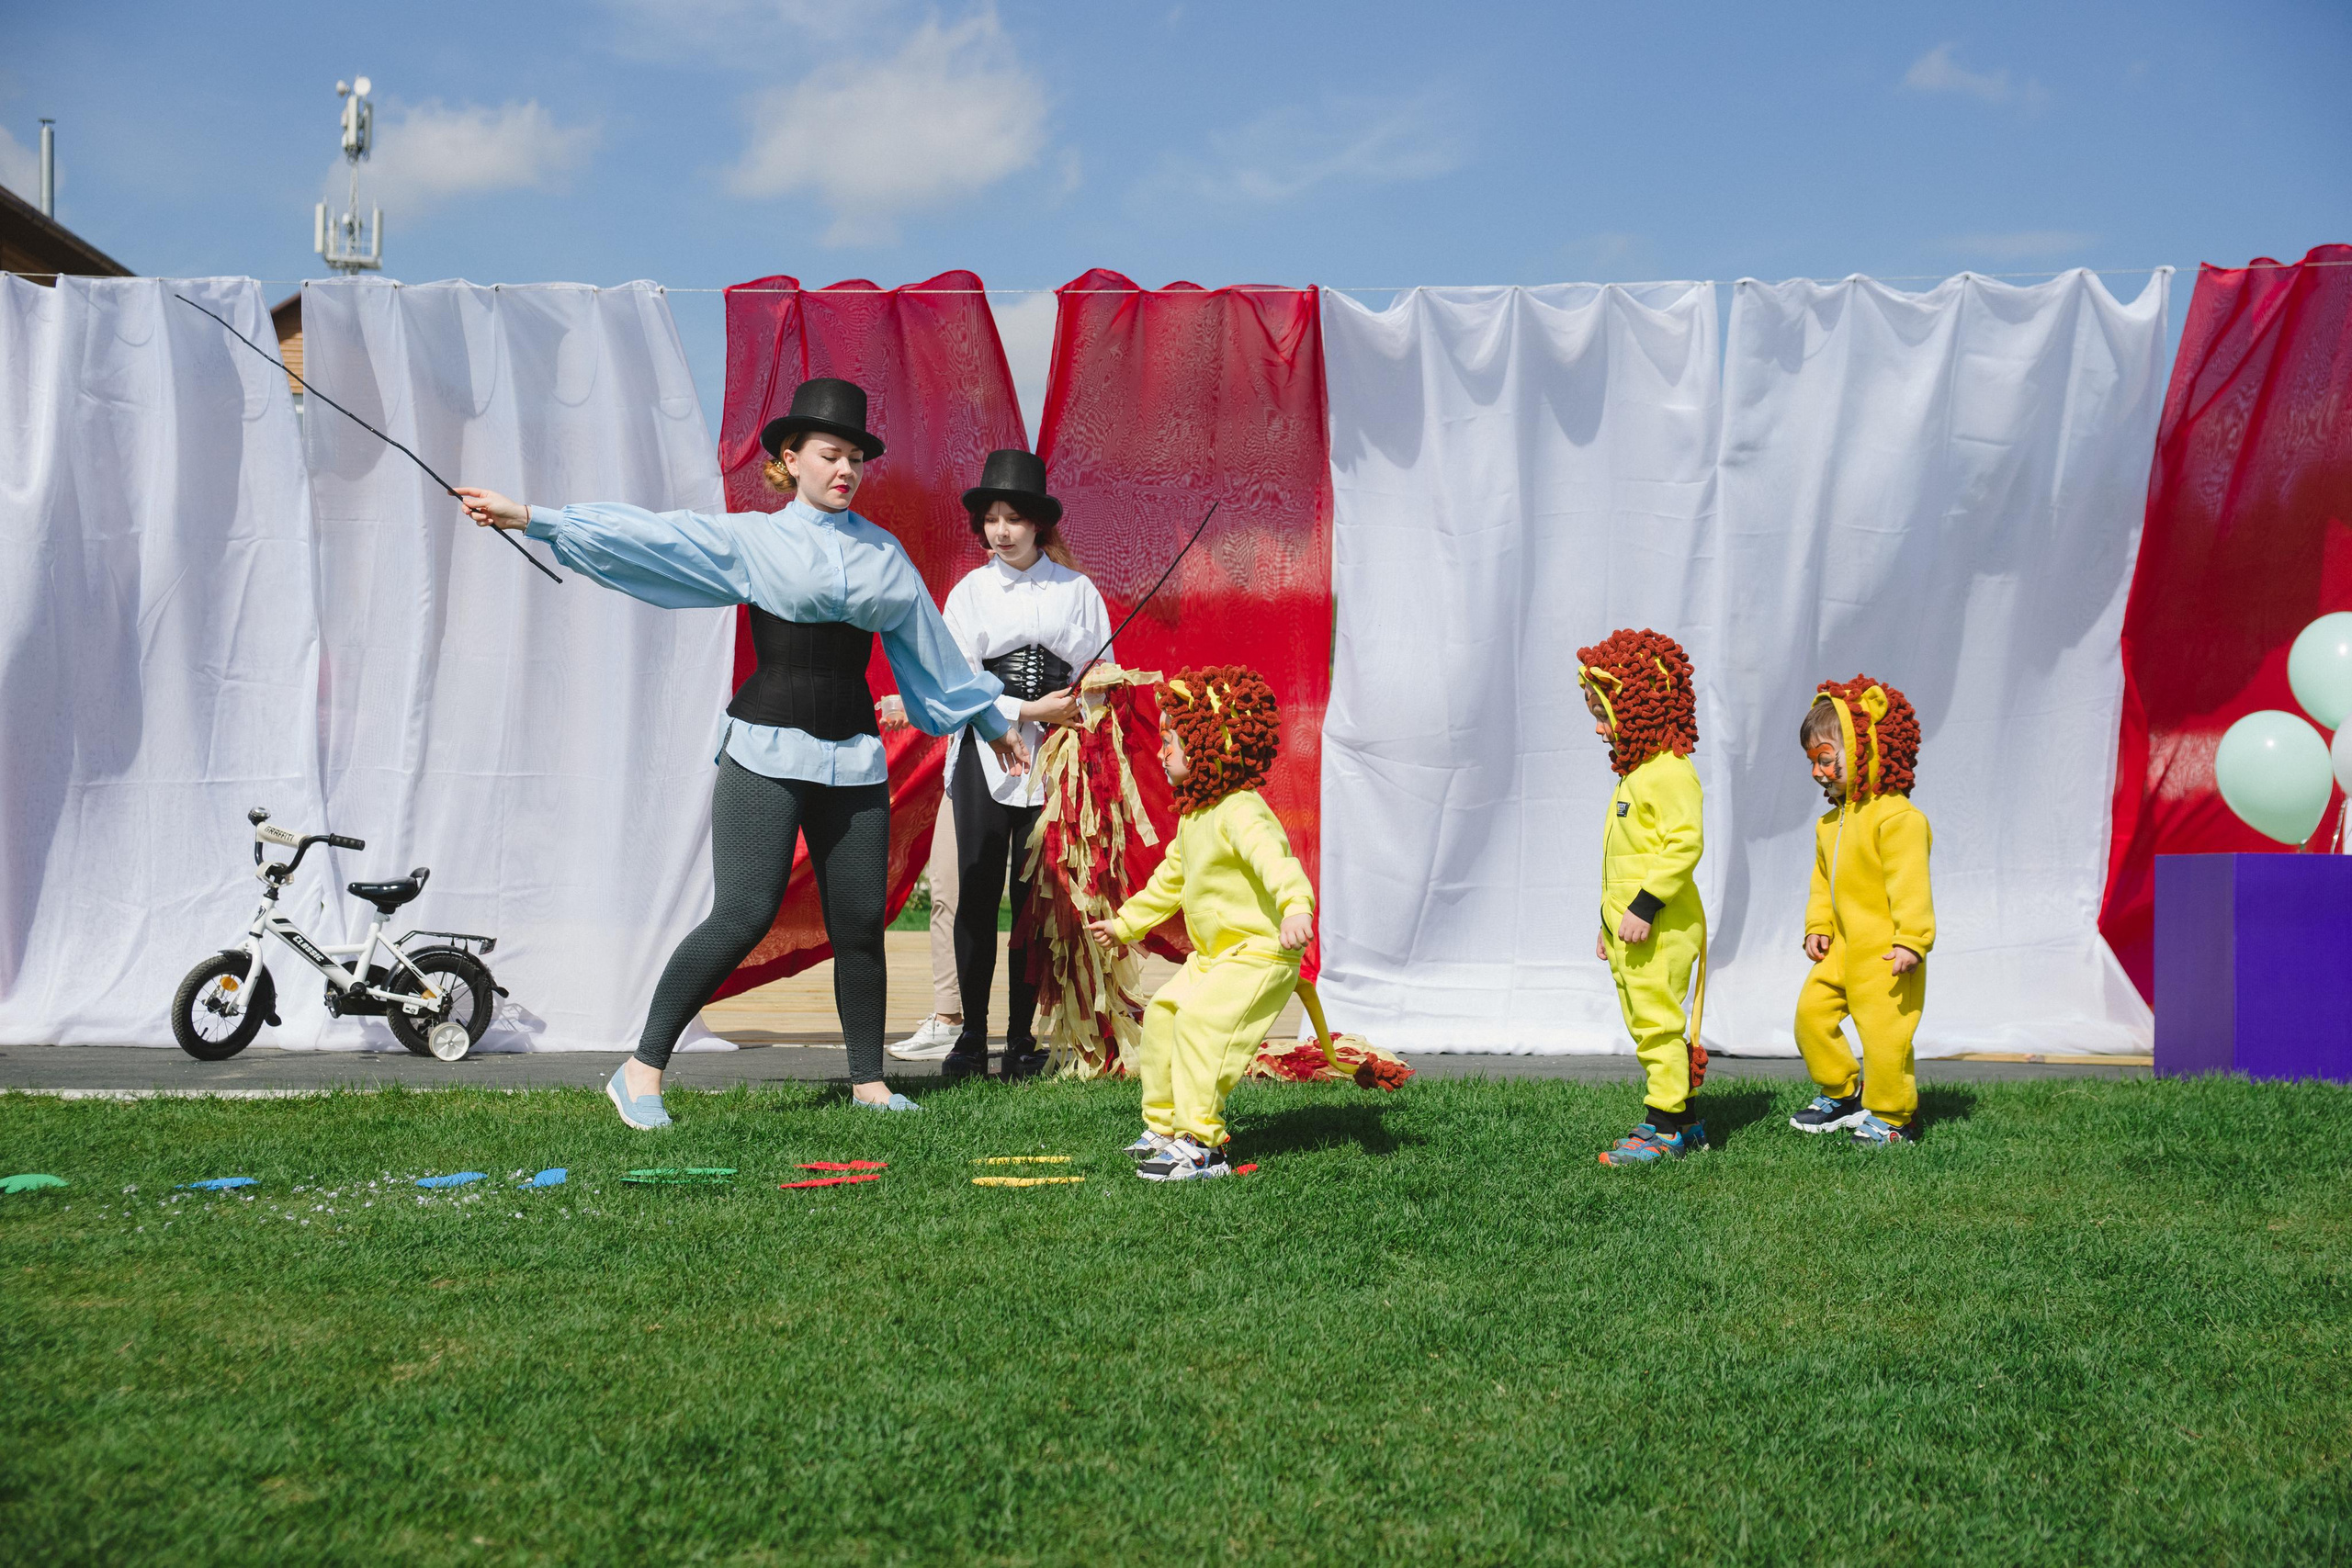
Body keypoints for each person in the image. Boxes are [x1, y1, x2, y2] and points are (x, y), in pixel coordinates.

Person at [453, 377, 1028, 1129]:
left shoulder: (885, 556)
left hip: (853, 756)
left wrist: (992, 721)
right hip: (763, 748)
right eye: (830, 454)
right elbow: (653, 537)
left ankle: (868, 1084)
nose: (846, 469)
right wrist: (534, 518)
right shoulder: (754, 538)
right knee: (745, 911)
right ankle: (639, 1071)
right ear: (791, 459)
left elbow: (933, 652)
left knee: (859, 922)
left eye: (856, 456)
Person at [1087, 666, 1313, 1181]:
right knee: (1165, 1013)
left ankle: (1202, 1146)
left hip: (1261, 955)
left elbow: (1277, 862)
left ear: (1211, 746)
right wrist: (1124, 925)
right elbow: (1170, 881)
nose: (1163, 751)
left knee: (1202, 1027)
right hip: (1216, 958)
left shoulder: (1241, 812)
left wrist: (1297, 906)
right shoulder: (1195, 816)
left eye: (1171, 740)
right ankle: (1165, 1129)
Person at [935, 449, 1111, 1082]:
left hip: (1056, 759)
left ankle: (1019, 1041)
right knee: (978, 893)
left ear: (1039, 523)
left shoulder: (1078, 591)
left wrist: (1078, 705)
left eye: (1014, 517)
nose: (1001, 530)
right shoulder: (969, 593)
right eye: (991, 518)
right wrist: (1027, 706)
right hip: (985, 752)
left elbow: (1101, 673)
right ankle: (970, 1039)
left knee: (1034, 901)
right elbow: (956, 680)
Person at [1577, 629, 1710, 1167]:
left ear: (1638, 706)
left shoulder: (1670, 774)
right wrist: (1607, 926)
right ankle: (1685, 1120)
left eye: (1604, 711)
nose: (1599, 726)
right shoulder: (1636, 776)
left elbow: (1684, 844)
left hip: (1662, 928)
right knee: (1646, 1019)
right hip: (1633, 928)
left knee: (1656, 1024)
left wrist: (1645, 907)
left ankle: (1663, 1129)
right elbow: (1622, 863)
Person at [1789, 676, 1934, 1145]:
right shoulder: (1828, 824)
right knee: (1811, 1015)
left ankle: (1894, 1117)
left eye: (1826, 758)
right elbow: (1822, 883)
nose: (1818, 771)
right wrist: (1817, 926)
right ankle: (1842, 1091)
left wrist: (1911, 939)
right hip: (1843, 953)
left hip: (1887, 957)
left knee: (1885, 1038)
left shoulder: (1898, 818)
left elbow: (1911, 886)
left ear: (1865, 746)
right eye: (1813, 761)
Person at [886, 811, 965, 1061]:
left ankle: (1023, 1032)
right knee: (946, 895)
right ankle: (948, 1019)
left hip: (1042, 782)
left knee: (1036, 895)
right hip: (966, 779)